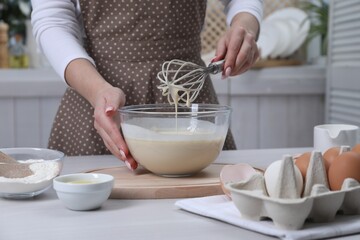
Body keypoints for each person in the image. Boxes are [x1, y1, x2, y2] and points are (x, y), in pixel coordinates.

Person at [31, 0, 263, 171]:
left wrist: (245, 26)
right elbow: (52, 20)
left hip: (189, 95)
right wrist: (98, 91)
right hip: (99, 104)